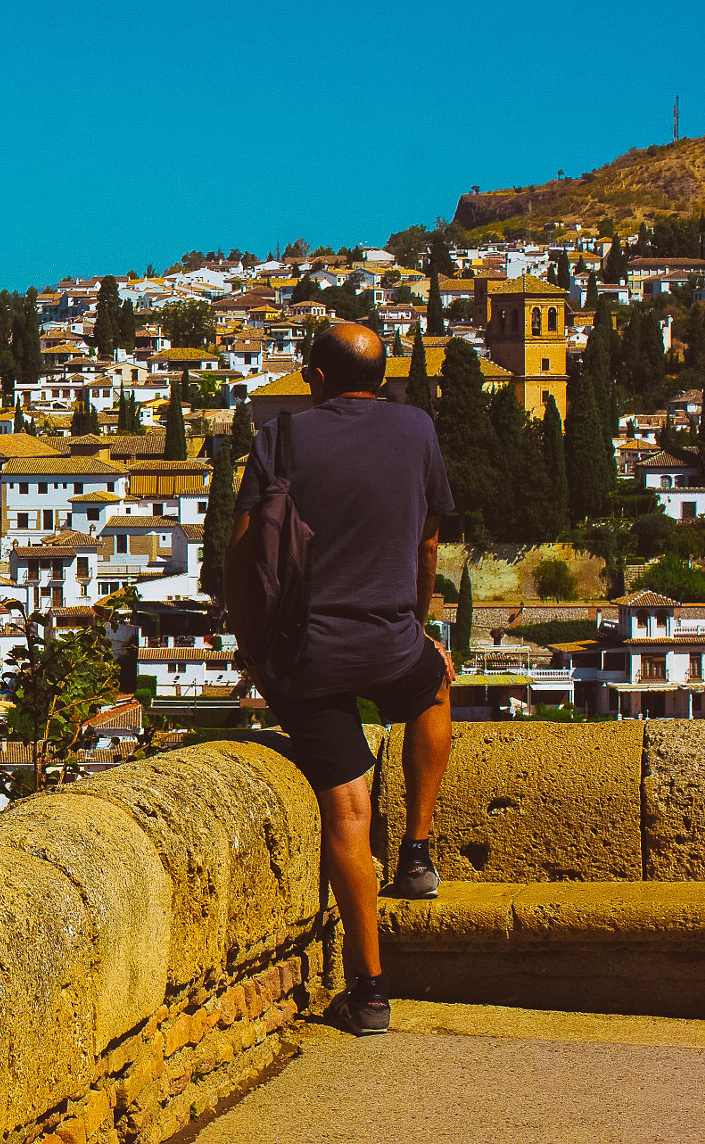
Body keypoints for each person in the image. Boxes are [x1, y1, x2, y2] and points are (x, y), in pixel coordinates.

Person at [226, 322, 454, 1036]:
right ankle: (416, 851)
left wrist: (252, 648)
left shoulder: (280, 440)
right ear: (382, 377)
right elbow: (428, 542)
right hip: (390, 644)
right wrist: (417, 620)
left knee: (346, 814)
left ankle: (371, 992)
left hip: (307, 657)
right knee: (433, 684)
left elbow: (240, 556)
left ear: (316, 378)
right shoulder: (417, 430)